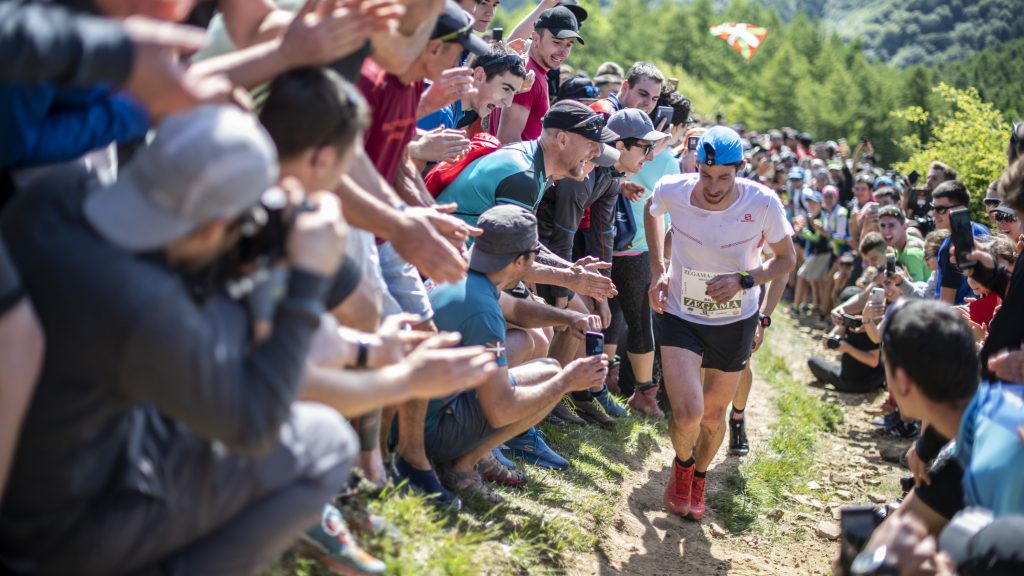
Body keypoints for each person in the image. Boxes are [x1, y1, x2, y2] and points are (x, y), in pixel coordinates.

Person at [0, 105, 355, 575]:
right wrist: (307, 278)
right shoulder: (145, 308)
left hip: (41, 451)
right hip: (51, 534)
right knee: (328, 444)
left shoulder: (57, 194)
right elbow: (256, 424)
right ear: (213, 227)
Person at [646, 126, 796, 520]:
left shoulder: (762, 202)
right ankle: (682, 467)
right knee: (688, 413)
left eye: (724, 177)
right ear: (696, 166)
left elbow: (786, 260)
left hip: (735, 320)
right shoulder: (674, 189)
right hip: (681, 315)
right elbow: (652, 209)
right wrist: (658, 269)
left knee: (713, 416)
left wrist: (744, 280)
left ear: (740, 169)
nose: (713, 187)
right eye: (706, 175)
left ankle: (700, 478)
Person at [424, 206, 608, 503]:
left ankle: (473, 460)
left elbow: (518, 309)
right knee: (551, 379)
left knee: (548, 369)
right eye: (534, 256)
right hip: (432, 431)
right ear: (520, 260)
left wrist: (569, 318)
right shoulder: (483, 312)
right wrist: (566, 383)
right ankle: (461, 468)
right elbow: (501, 409)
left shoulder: (466, 276)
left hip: (423, 411)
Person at [537, 108, 669, 423]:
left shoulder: (611, 177)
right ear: (620, 145)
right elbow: (563, 233)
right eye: (645, 148)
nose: (650, 157)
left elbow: (602, 235)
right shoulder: (584, 174)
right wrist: (561, 293)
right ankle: (547, 399)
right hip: (537, 252)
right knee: (579, 317)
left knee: (591, 315)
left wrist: (602, 294)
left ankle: (569, 395)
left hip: (554, 253)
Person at [490, 6, 581, 143]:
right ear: (535, 38)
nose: (564, 52)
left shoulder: (533, 71)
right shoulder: (528, 75)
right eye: (557, 42)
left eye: (569, 45)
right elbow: (507, 141)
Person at [417, 43, 528, 133]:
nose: (508, 103)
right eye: (506, 89)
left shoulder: (453, 110)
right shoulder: (439, 112)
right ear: (479, 76)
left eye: (514, 93)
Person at [931, 180, 990, 304]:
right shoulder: (983, 230)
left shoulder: (951, 247)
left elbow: (946, 303)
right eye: (933, 207)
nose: (933, 214)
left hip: (960, 314)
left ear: (960, 208)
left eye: (940, 209)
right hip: (983, 311)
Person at [589, 61, 664, 117]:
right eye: (643, 94)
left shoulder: (630, 117)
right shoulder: (605, 113)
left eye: (654, 99)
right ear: (625, 87)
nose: (649, 104)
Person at [878, 205, 930, 282]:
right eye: (882, 226)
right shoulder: (897, 248)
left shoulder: (911, 254)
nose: (886, 231)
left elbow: (917, 288)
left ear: (905, 226)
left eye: (891, 225)